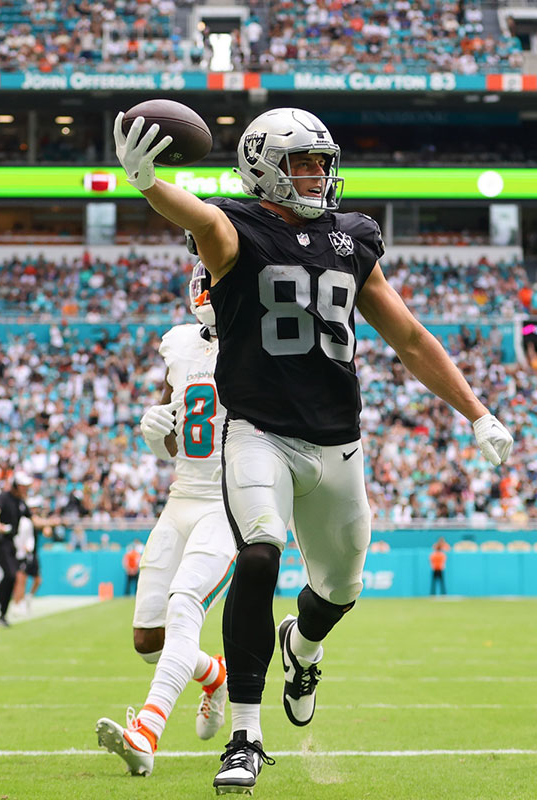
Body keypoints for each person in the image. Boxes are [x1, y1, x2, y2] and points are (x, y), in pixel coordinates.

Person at [114, 107, 514, 793]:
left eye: (323, 161)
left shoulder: (353, 237)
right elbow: (201, 217)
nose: (319, 174)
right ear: (265, 166)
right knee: (260, 553)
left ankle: (302, 646)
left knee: (339, 589)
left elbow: (411, 338)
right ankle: (245, 737)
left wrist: (477, 412)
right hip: (259, 432)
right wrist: (149, 182)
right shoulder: (236, 228)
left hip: (338, 440)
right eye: (303, 162)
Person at [96, 265, 235, 777]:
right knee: (148, 640)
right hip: (180, 499)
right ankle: (214, 674)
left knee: (183, 608)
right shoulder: (178, 344)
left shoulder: (258, 344)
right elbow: (173, 430)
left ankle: (146, 732)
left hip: (228, 502)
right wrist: (156, 433)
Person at [0, 472, 31, 626]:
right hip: (0, 541)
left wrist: (51, 523)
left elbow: (32, 518)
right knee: (11, 575)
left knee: (11, 578)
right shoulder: (4, 497)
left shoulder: (21, 501)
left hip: (11, 542)